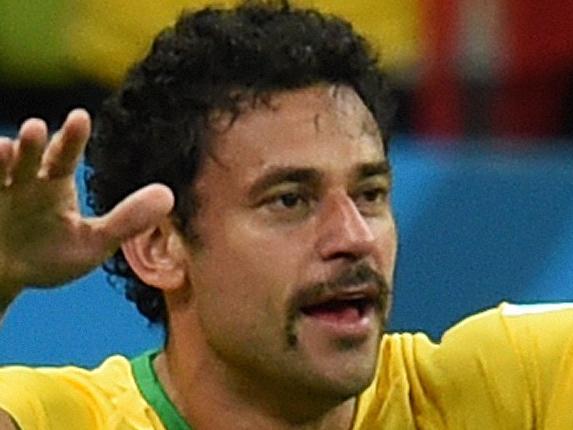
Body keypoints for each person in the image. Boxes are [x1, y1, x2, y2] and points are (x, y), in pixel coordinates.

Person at [1, 1, 573, 429]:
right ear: (159, 246)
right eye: (290, 201)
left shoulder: (511, 390)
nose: (353, 237)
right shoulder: (64, 418)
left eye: (370, 194)